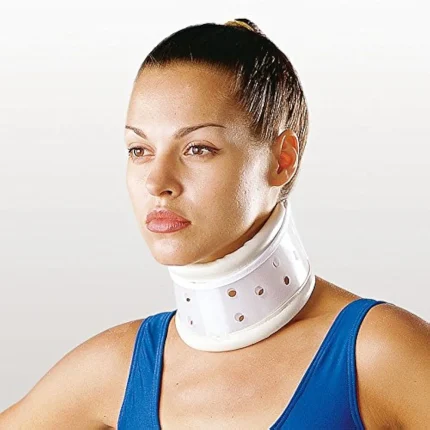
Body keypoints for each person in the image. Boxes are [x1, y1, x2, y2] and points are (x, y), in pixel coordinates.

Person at [1, 18, 429, 430]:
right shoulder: (115, 370)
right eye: (139, 150)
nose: (157, 182)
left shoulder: (380, 354)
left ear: (282, 160)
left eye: (198, 148)